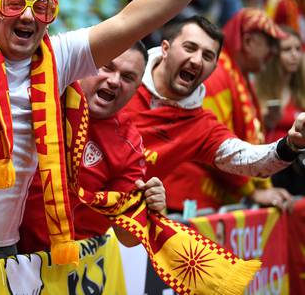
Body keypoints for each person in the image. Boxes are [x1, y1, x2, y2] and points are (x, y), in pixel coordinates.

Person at [0, 0, 239, 263]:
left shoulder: (56, 59)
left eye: (41, 8)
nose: (28, 16)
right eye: (15, 3)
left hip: (7, 250)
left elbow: (128, 21)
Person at [122, 15, 305, 214]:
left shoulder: (200, 124)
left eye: (207, 56)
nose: (196, 60)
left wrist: (290, 144)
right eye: (189, 47)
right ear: (165, 48)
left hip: (128, 222)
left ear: (213, 68)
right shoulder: (122, 78)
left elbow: (249, 160)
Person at [18, 42, 166, 253]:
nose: (114, 81)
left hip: (56, 267)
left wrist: (152, 207)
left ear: (136, 90)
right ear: (85, 65)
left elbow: (130, 237)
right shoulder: (43, 91)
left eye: (127, 77)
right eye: (107, 67)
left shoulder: (129, 146)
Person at [164, 9, 292, 211]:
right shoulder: (217, 75)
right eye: (270, 44)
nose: (274, 52)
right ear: (248, 42)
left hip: (209, 202)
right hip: (189, 204)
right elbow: (216, 146)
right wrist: (253, 192)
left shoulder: (235, 73)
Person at [256, 26, 305, 195]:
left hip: (299, 169)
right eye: (287, 49)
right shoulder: (258, 90)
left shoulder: (301, 92)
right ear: (274, 54)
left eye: (298, 49)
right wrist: (264, 119)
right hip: (269, 168)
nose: (294, 55)